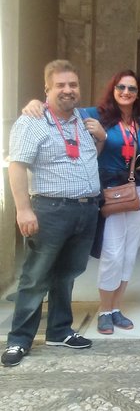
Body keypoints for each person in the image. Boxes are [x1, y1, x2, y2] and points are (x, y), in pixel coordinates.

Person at [21, 70, 140, 334]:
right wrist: (37, 104)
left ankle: (116, 308)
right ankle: (104, 309)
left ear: (138, 93)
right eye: (121, 87)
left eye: (132, 89)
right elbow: (61, 107)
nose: (126, 92)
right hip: (110, 192)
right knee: (112, 252)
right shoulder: (93, 114)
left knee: (129, 253)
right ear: (113, 89)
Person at [2, 60, 104, 367]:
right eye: (60, 85)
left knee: (67, 275)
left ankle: (60, 330)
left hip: (85, 209)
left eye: (72, 85)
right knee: (35, 277)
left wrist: (99, 137)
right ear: (47, 89)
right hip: (50, 210)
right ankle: (19, 339)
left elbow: (85, 156)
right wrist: (22, 209)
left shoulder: (82, 120)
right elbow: (17, 166)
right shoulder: (31, 121)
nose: (68, 90)